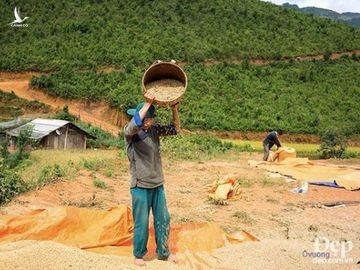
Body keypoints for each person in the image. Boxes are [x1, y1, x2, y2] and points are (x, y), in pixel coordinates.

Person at [124, 95, 178, 266]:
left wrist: (174, 108)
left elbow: (175, 129)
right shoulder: (131, 133)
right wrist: (149, 102)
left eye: (150, 119)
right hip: (140, 186)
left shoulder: (154, 130)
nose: (148, 122)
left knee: (163, 219)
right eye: (145, 119)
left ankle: (163, 252)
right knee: (142, 221)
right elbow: (133, 126)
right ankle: (139, 254)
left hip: (157, 184)